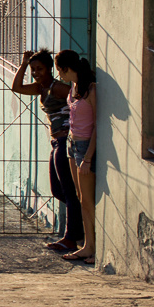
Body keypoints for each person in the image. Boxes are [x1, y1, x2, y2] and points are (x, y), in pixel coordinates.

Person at [12, 49, 81, 253]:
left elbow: (77, 103)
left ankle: (71, 237)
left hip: (64, 140)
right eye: (33, 70)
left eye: (39, 69)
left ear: (50, 68)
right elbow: (16, 87)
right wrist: (24, 64)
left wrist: (71, 130)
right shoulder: (40, 88)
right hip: (56, 142)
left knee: (68, 190)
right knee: (57, 190)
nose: (36, 73)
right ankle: (78, 228)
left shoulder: (58, 87)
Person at [61, 51, 98, 264]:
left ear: (67, 68)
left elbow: (97, 126)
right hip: (72, 143)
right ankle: (88, 244)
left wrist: (88, 157)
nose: (59, 74)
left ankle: (91, 246)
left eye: (60, 70)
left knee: (87, 200)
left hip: (84, 147)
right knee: (79, 197)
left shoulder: (91, 89)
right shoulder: (73, 88)